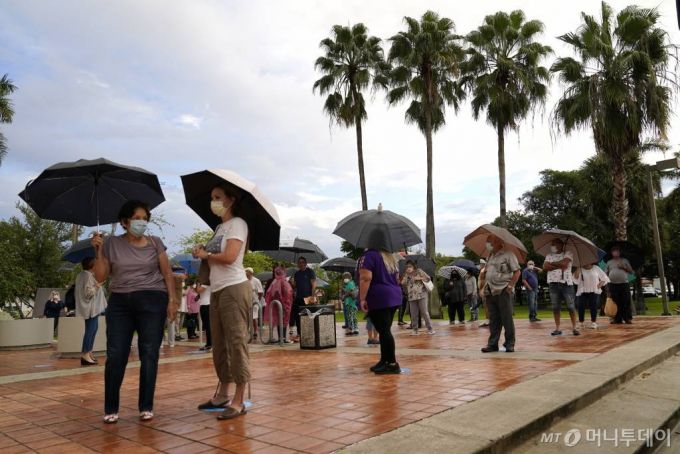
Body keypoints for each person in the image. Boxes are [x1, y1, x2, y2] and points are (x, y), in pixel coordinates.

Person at [91, 200, 177, 424]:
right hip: (120, 301)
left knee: (149, 352)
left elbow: (167, 273)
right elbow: (100, 277)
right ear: (124, 221)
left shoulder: (155, 242)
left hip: (153, 299)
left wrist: (172, 300)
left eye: (145, 218)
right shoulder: (110, 243)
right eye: (137, 218)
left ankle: (146, 406)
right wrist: (98, 251)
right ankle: (111, 407)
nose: (141, 222)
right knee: (116, 354)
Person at [193, 184, 251, 420]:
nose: (213, 201)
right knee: (219, 344)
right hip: (216, 290)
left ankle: (239, 399)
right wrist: (202, 251)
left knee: (236, 342)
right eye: (212, 197)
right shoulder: (219, 228)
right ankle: (223, 394)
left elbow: (229, 256)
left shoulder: (238, 224)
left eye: (217, 197)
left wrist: (207, 254)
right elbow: (213, 257)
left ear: (231, 199)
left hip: (234, 288)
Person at [358, 231, 403, 374]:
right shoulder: (390, 257)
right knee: (385, 331)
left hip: (379, 297)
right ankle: (385, 360)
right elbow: (397, 278)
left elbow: (366, 278)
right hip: (394, 295)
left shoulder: (368, 256)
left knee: (384, 331)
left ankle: (392, 363)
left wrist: (362, 298)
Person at [480, 234, 520, 353]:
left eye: (489, 241)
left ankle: (509, 344)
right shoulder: (490, 256)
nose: (487, 244)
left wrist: (510, 286)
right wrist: (483, 286)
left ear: (498, 242)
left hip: (503, 290)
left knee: (507, 318)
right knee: (493, 319)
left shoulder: (508, 254)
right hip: (490, 290)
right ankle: (492, 344)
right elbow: (488, 273)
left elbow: (517, 271)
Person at [543, 239, 580, 336]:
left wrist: (552, 263)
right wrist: (559, 265)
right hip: (553, 284)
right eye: (552, 244)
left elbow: (564, 264)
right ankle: (557, 328)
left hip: (566, 283)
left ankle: (574, 328)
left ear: (561, 245)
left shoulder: (568, 253)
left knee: (571, 306)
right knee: (555, 307)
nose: (552, 246)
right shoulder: (549, 255)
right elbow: (545, 266)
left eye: (554, 244)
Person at [75, 257, 107, 366]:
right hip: (91, 309)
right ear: (92, 265)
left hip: (89, 308)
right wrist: (97, 286)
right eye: (96, 263)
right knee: (90, 330)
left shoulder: (81, 275)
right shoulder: (87, 275)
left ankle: (89, 352)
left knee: (92, 330)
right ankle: (85, 354)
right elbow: (88, 293)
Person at [400, 260, 435, 336]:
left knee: (424, 312)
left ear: (413, 266)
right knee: (413, 314)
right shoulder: (406, 274)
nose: (408, 268)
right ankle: (415, 330)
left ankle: (430, 329)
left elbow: (428, 278)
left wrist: (420, 278)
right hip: (411, 297)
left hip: (422, 295)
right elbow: (403, 283)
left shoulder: (419, 271)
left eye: (410, 266)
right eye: (407, 267)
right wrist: (405, 278)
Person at [574, 263, 609, 329]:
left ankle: (593, 322)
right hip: (582, 290)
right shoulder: (580, 268)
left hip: (594, 290)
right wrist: (578, 268)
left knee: (593, 306)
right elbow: (575, 279)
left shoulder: (596, 268)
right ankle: (581, 322)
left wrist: (600, 284)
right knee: (580, 306)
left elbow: (604, 277)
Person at [604, 246, 634, 324]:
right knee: (616, 301)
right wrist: (606, 283)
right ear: (612, 253)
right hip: (613, 284)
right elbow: (606, 273)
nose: (616, 253)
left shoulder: (625, 261)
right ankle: (617, 319)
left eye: (617, 251)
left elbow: (631, 271)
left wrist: (623, 267)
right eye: (614, 251)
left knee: (626, 301)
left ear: (619, 252)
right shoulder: (609, 262)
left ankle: (627, 318)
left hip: (624, 283)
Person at [264, 265, 293, 342]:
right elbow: (281, 293)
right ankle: (282, 338)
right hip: (284, 304)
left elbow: (273, 294)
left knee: (279, 321)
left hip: (280, 305)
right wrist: (283, 304)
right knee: (283, 321)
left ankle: (281, 338)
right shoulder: (281, 281)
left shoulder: (275, 281)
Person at [290, 257, 316, 342]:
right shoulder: (296, 274)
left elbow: (314, 285)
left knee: (309, 316)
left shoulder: (310, 272)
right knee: (298, 316)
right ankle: (299, 333)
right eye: (299, 262)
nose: (301, 264)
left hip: (308, 298)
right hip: (299, 298)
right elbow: (295, 286)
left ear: (305, 263)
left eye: (302, 262)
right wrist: (292, 282)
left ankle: (310, 333)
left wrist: (312, 297)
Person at [245, 268, 264, 341]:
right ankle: (247, 332)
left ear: (251, 273)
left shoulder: (256, 281)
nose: (246, 274)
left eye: (247, 272)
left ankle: (255, 331)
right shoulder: (244, 280)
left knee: (254, 316)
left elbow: (260, 292)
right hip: (246, 301)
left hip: (254, 301)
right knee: (247, 317)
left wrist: (258, 300)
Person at [197, 282, 212, 351]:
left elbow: (199, 290)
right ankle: (209, 343)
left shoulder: (205, 283)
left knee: (208, 325)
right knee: (207, 325)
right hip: (205, 304)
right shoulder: (206, 282)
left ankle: (210, 344)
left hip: (206, 305)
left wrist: (197, 284)